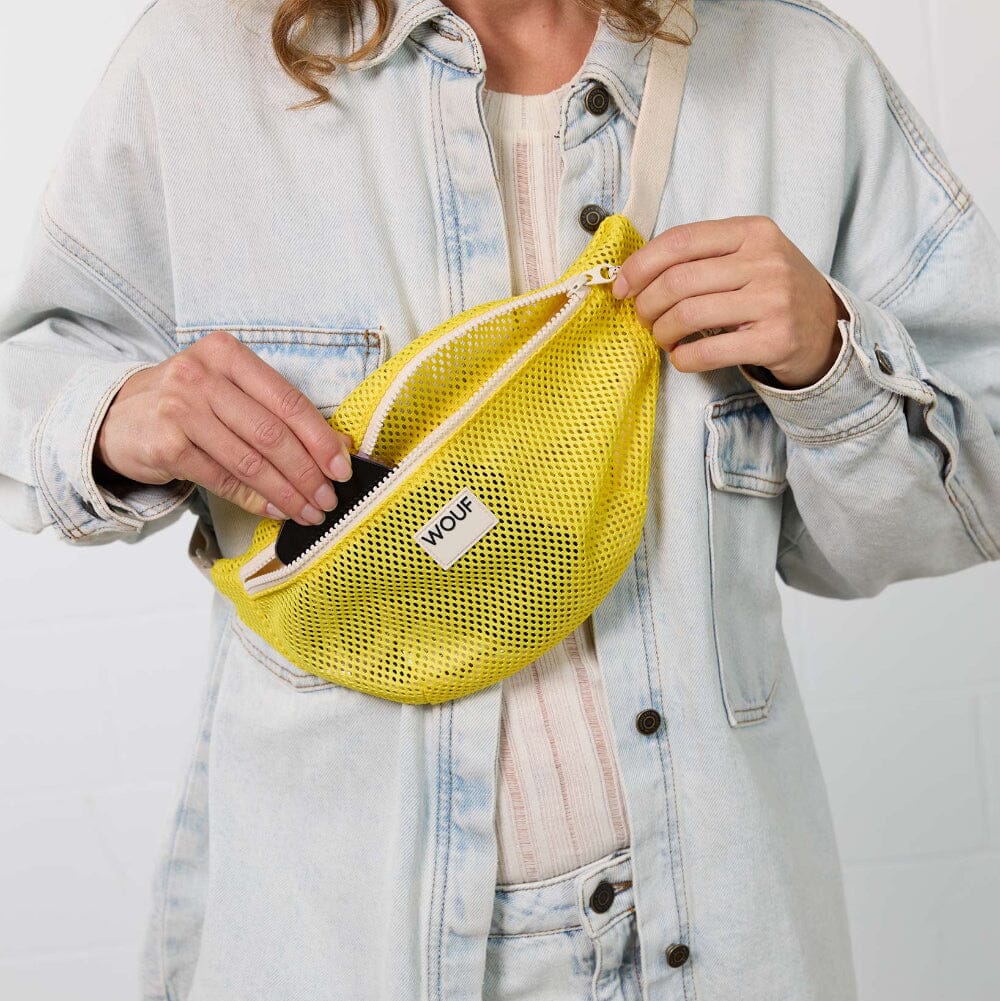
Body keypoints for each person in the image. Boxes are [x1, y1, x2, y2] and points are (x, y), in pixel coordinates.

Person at [1, 0, 998, 998]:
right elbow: (28, 373)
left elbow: (968, 492)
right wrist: (114, 415)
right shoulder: (200, 71)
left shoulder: (800, 75)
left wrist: (830, 361)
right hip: (336, 945)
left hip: (723, 938)